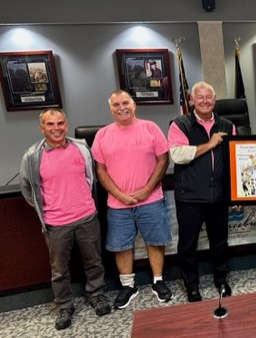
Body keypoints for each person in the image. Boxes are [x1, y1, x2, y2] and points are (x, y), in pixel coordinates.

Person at [20, 109, 111, 330]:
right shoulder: (32, 156)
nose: (56, 128)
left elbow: (90, 179)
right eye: (50, 124)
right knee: (59, 270)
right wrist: (49, 209)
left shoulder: (81, 148)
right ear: (42, 127)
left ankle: (96, 295)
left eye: (60, 123)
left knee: (94, 262)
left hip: (86, 217)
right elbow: (27, 189)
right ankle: (64, 305)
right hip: (56, 223)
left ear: (66, 124)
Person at [91, 90, 172, 309]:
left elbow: (163, 160)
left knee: (155, 241)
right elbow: (100, 170)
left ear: (133, 104)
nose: (121, 107)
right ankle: (128, 286)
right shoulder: (103, 135)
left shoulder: (150, 128)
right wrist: (118, 194)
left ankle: (158, 281)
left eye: (125, 102)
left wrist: (147, 188)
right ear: (111, 109)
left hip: (151, 199)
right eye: (116, 104)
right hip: (118, 204)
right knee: (121, 245)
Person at [167, 81, 236, 302]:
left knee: (220, 242)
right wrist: (211, 143)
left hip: (218, 195)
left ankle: (221, 280)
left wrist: (236, 192)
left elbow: (235, 160)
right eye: (200, 97)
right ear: (192, 100)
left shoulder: (227, 124)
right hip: (190, 196)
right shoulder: (179, 124)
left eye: (209, 97)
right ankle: (192, 285)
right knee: (188, 244)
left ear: (214, 101)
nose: (205, 101)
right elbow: (178, 155)